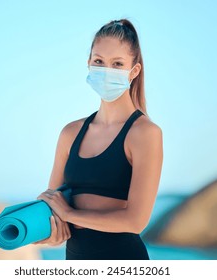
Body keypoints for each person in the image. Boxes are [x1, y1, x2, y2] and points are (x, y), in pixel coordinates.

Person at [35, 18, 163, 260]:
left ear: (133, 71)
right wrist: (50, 231)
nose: (106, 71)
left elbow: (136, 221)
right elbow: (54, 210)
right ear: (89, 64)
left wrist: (70, 215)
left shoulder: (145, 134)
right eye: (99, 62)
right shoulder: (69, 133)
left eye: (117, 64)